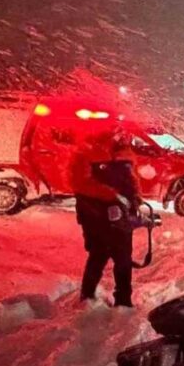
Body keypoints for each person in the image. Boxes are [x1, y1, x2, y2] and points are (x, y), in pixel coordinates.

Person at [72, 127, 140, 307]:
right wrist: (111, 195)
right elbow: (80, 183)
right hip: (95, 214)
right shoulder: (87, 152)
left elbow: (131, 180)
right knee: (99, 254)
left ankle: (124, 301)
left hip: (120, 215)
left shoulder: (124, 153)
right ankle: (87, 296)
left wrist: (135, 200)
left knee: (123, 258)